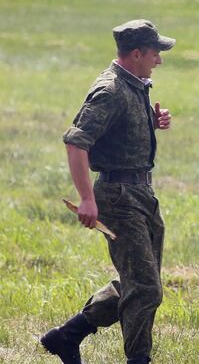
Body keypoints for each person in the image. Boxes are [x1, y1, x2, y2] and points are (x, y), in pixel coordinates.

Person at [40, 20, 175, 364]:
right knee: (145, 288)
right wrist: (87, 198)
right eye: (154, 53)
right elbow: (76, 142)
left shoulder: (135, 85)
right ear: (135, 53)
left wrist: (150, 122)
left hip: (142, 195)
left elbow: (117, 130)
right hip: (119, 197)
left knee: (138, 282)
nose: (158, 60)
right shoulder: (111, 90)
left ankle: (66, 336)